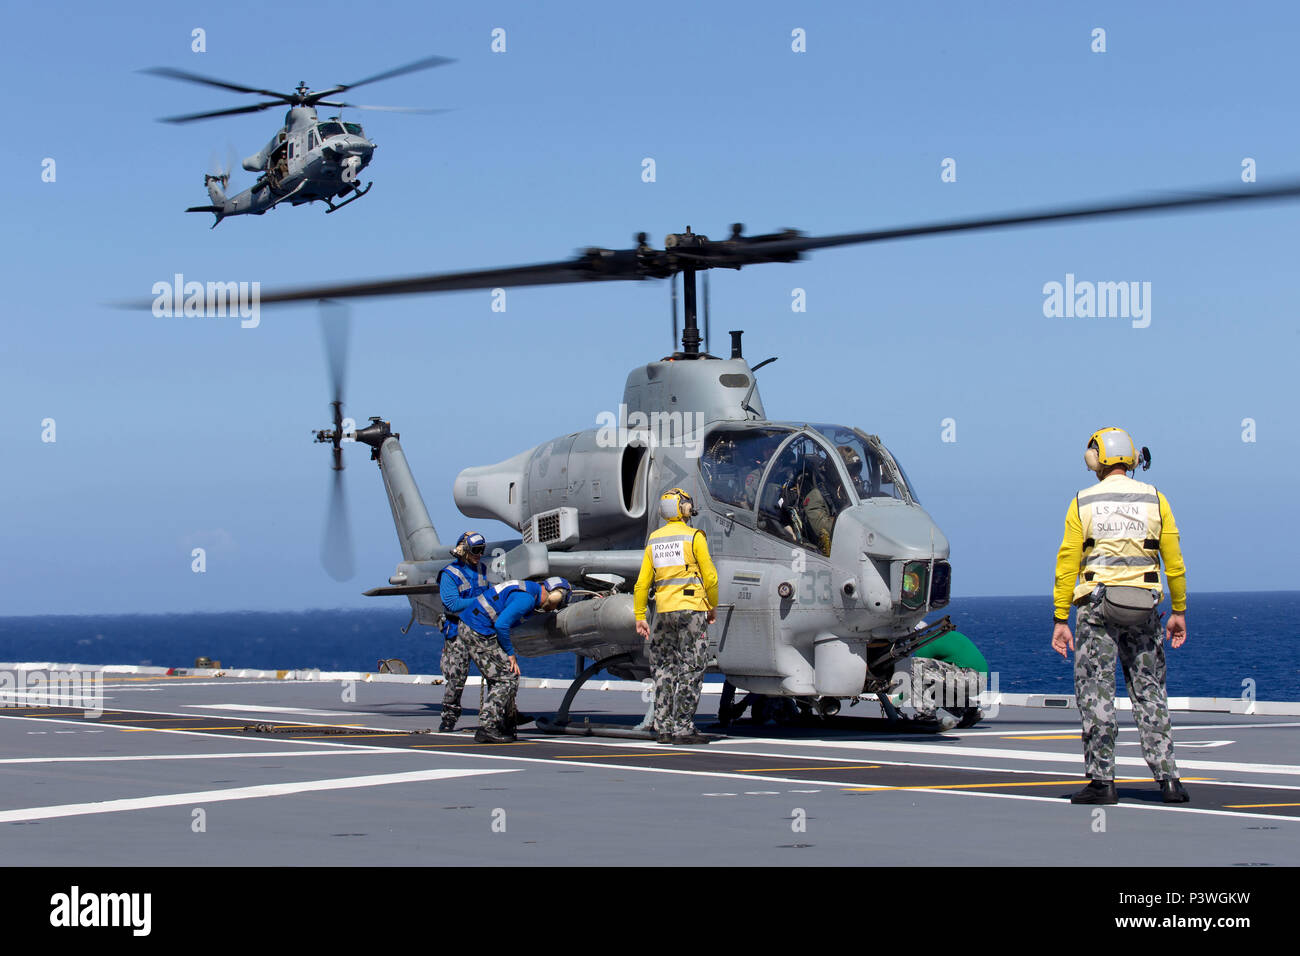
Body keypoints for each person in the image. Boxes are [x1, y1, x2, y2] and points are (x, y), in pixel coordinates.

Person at [1051, 427, 1189, 805]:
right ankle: (1169, 779)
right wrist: (1178, 610)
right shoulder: (1156, 499)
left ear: (1096, 456)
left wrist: (1060, 618)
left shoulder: (1082, 501)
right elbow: (1174, 563)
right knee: (1150, 691)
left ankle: (1102, 781)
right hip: (1144, 606)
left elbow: (1067, 564)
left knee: (1096, 693)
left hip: (1097, 607)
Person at [634, 488, 720, 745]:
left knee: (663, 668)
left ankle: (664, 728)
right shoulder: (694, 537)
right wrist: (712, 606)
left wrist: (640, 615)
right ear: (682, 509)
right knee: (691, 666)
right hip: (691, 609)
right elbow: (711, 577)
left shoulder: (654, 540)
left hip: (662, 612)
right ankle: (683, 727)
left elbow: (642, 584)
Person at [458, 576, 572, 743]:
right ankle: (488, 727)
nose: (553, 608)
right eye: (558, 603)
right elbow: (502, 625)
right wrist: (511, 654)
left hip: (475, 626)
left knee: (504, 676)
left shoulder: (529, 590)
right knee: (506, 679)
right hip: (477, 629)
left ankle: (505, 720)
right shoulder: (526, 599)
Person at [435, 531, 490, 732]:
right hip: (458, 630)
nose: (479, 555)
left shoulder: (482, 570)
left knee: (495, 673)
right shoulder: (449, 574)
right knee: (456, 677)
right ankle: (449, 717)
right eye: (475, 551)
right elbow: (451, 603)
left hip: (480, 629)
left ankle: (497, 715)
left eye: (481, 551)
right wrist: (482, 602)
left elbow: (490, 593)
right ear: (464, 550)